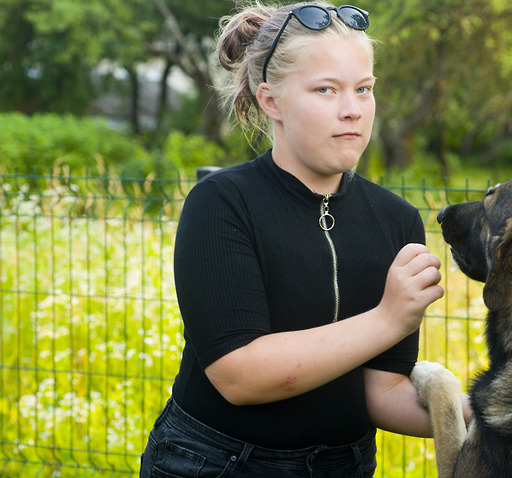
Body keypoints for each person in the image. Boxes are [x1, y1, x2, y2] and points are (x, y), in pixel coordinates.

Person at [140, 2, 469, 476]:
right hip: (216, 462)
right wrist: (387, 319)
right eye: (326, 90)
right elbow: (239, 376)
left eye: (364, 89)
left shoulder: (396, 221)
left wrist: (503, 416)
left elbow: (383, 395)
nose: (352, 109)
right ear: (271, 100)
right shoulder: (221, 204)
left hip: (344, 465)